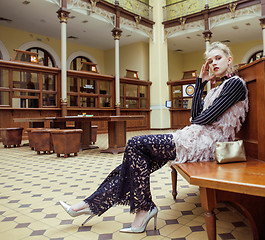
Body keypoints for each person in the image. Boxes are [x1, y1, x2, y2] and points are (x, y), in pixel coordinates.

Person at [59, 42, 248, 233]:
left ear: (229, 60)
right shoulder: (217, 88)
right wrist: (201, 82)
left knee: (135, 144)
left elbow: (202, 118)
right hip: (195, 138)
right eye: (210, 61)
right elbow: (197, 115)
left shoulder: (235, 84)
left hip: (209, 144)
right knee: (134, 163)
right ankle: (91, 204)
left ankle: (138, 208)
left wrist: (195, 119)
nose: (213, 63)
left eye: (218, 58)